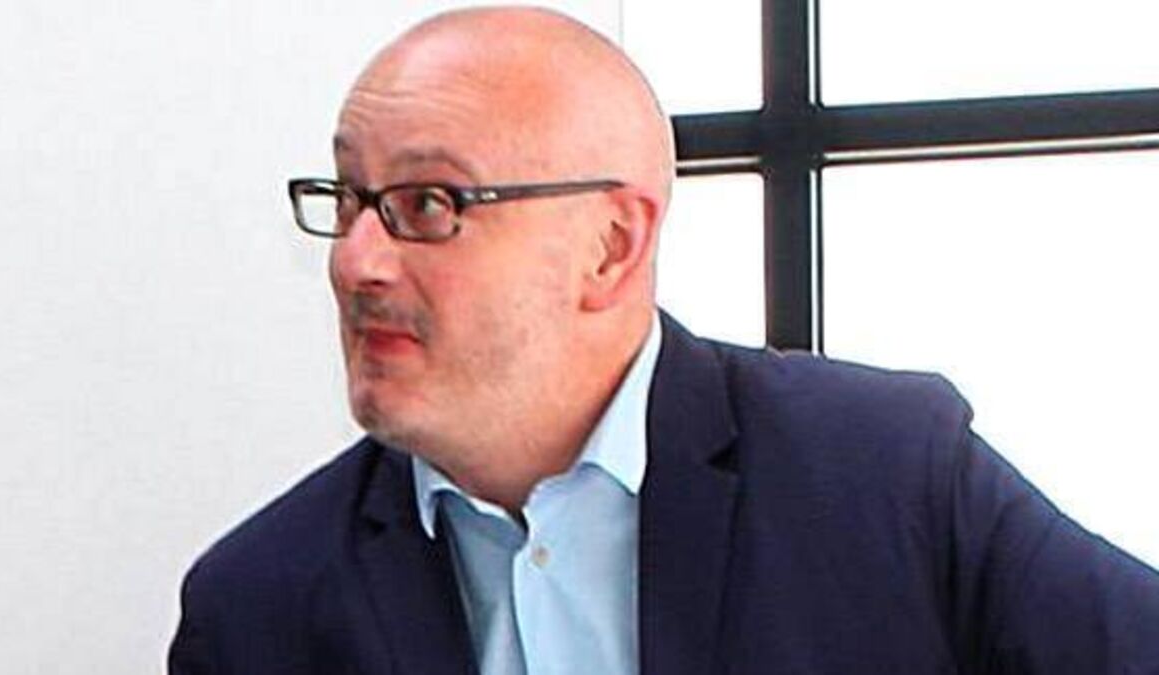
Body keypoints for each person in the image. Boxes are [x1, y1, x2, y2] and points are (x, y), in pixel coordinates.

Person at [169, 7, 1159, 674]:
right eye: (350, 199)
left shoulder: (884, 473)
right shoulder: (257, 606)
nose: (356, 260)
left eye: (428, 203)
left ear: (612, 244)